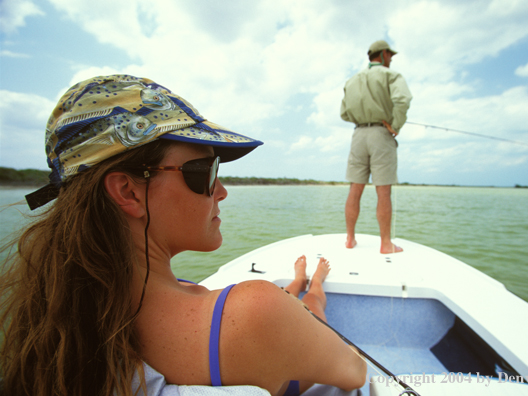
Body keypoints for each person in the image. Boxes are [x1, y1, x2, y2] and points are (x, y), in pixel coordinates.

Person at [0, 75, 366, 396]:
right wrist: (295, 310)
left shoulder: (65, 322)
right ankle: (312, 284)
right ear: (127, 192)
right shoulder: (255, 311)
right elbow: (355, 372)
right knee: (311, 305)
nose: (221, 190)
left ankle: (301, 282)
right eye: (204, 170)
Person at [340, 40, 412, 254]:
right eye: (390, 55)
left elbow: (344, 113)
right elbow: (403, 99)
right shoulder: (392, 76)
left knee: (355, 189)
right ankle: (386, 244)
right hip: (381, 133)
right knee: (383, 191)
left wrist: (362, 117)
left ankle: (350, 239)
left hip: (358, 135)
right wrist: (396, 125)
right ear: (382, 54)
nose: (391, 59)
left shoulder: (352, 80)